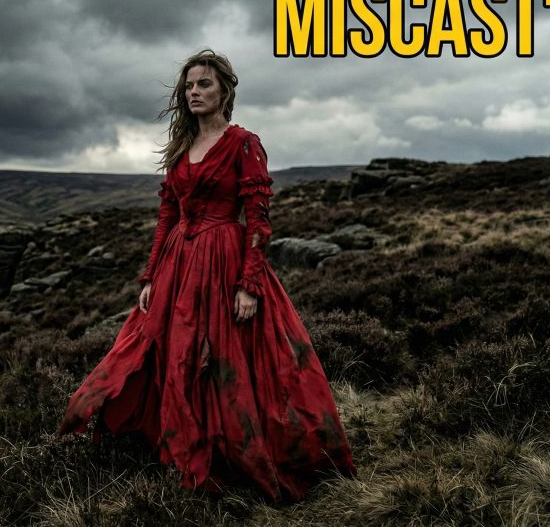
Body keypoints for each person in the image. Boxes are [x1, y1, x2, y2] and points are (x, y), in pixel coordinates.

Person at [56, 49, 356, 500]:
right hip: (178, 265)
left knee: (224, 362)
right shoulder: (181, 146)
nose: (194, 92)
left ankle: (234, 453)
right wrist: (150, 277)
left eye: (204, 84)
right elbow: (168, 215)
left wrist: (249, 285)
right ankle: (178, 443)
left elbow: (259, 221)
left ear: (224, 92)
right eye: (189, 86)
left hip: (224, 261)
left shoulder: (244, 143)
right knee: (170, 354)